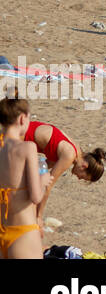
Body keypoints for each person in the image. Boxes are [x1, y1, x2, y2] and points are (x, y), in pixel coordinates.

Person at [22, 119, 105, 223]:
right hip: (20, 135)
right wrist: (39, 217)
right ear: (84, 166)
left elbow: (45, 166)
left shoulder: (76, 149)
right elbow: (48, 186)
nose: (79, 178)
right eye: (83, 177)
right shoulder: (69, 155)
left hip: (23, 129)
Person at [0, 98, 47, 259]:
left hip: (3, 229)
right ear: (22, 118)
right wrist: (44, 180)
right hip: (23, 231)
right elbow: (35, 196)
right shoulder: (27, 147)